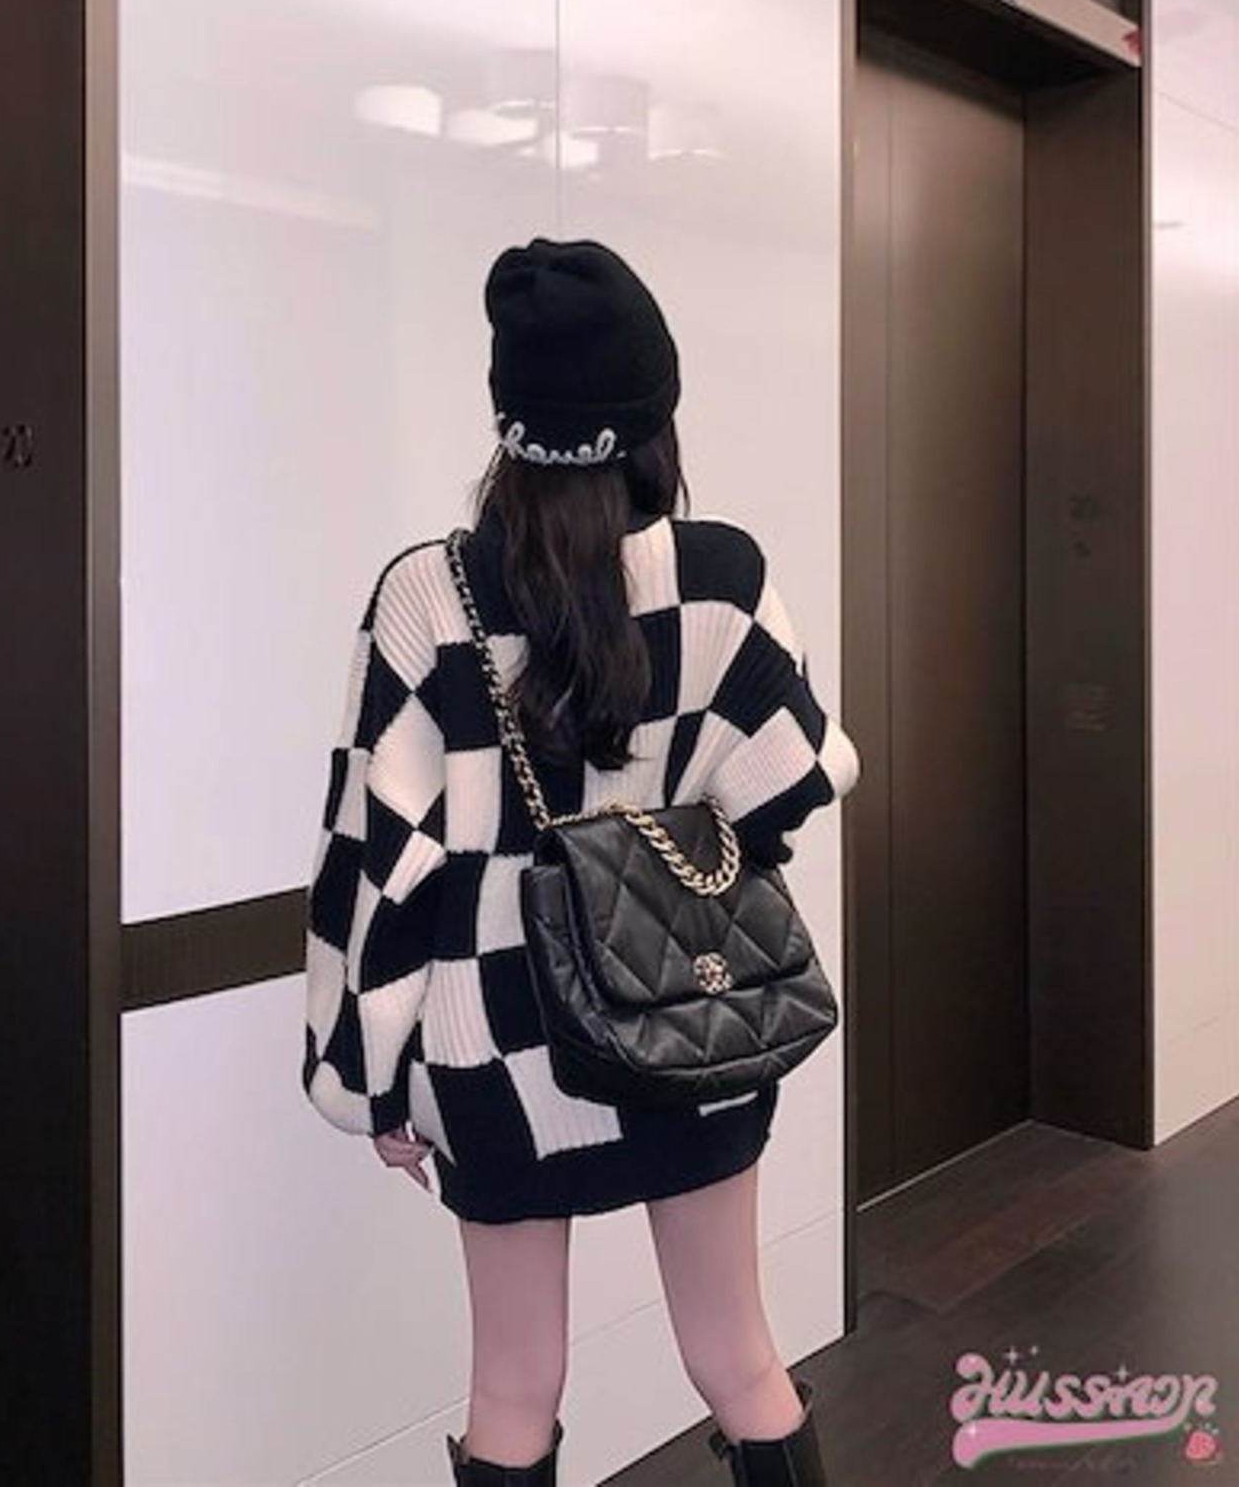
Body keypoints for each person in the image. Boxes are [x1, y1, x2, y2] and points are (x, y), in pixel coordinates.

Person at [302, 238, 860, 1486]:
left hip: (492, 1043)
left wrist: (371, 1079)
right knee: (738, 1355)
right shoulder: (721, 576)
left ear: (511, 421)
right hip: (689, 1019)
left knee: (512, 1385)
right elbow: (798, 779)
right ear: (652, 419)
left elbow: (380, 864)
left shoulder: (426, 596)